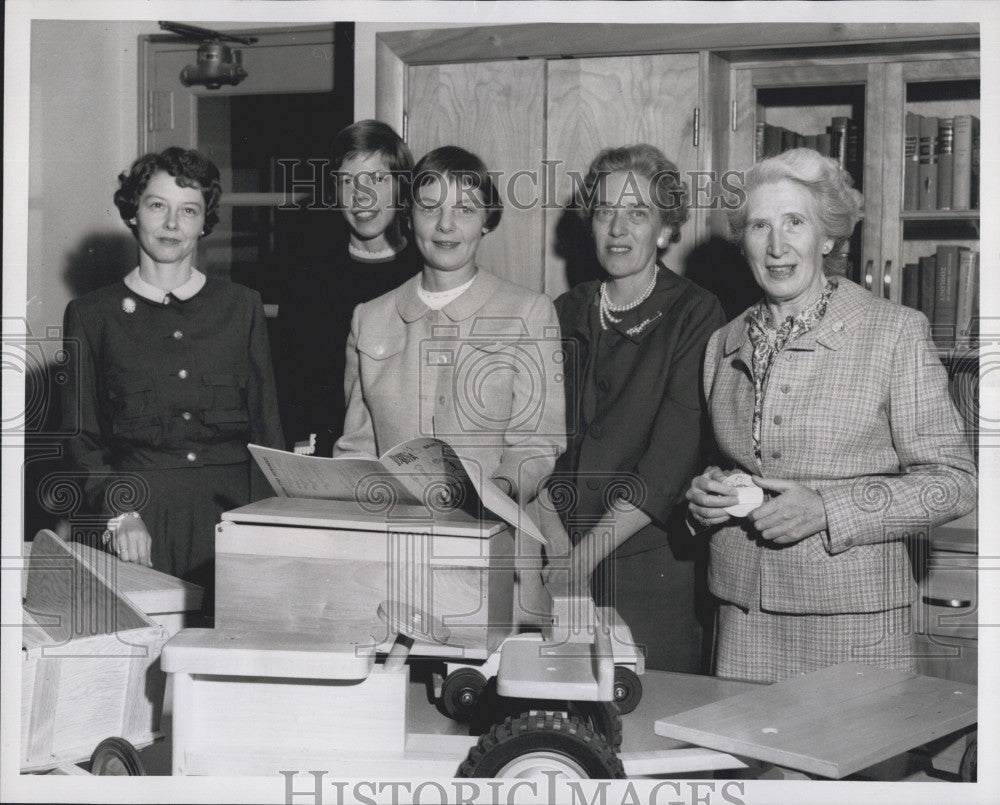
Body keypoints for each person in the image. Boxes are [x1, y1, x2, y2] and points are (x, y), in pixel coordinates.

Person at [685, 148, 977, 684]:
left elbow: (954, 483)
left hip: (852, 616)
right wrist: (705, 496)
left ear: (827, 238)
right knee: (749, 765)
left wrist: (827, 509)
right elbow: (725, 463)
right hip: (742, 614)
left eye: (795, 222)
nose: (777, 246)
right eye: (759, 226)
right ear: (743, 241)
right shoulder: (721, 345)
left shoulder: (893, 333)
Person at [62, 147, 284, 612]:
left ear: (204, 223)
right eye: (156, 205)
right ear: (132, 213)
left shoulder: (241, 306)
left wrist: (266, 535)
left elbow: (268, 436)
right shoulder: (91, 315)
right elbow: (83, 439)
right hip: (139, 520)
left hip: (232, 520)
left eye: (188, 211)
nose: (171, 224)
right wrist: (120, 513)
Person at [543, 144, 726, 673]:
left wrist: (579, 560)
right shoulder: (563, 310)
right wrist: (557, 549)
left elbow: (670, 460)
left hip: (650, 570)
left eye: (638, 214)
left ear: (666, 230)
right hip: (555, 554)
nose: (618, 229)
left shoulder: (696, 312)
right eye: (605, 212)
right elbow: (535, 441)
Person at [335, 144, 564, 510]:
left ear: (487, 220)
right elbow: (357, 448)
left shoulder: (529, 313)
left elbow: (536, 445)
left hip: (492, 534)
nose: (445, 224)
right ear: (409, 216)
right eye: (429, 207)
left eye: (465, 209)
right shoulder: (369, 318)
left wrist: (496, 491)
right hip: (395, 534)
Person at [276, 120, 421, 456]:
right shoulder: (308, 279)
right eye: (348, 182)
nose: (362, 196)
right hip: (328, 457)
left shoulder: (425, 273)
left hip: (410, 457)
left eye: (378, 179)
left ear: (403, 188)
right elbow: (291, 383)